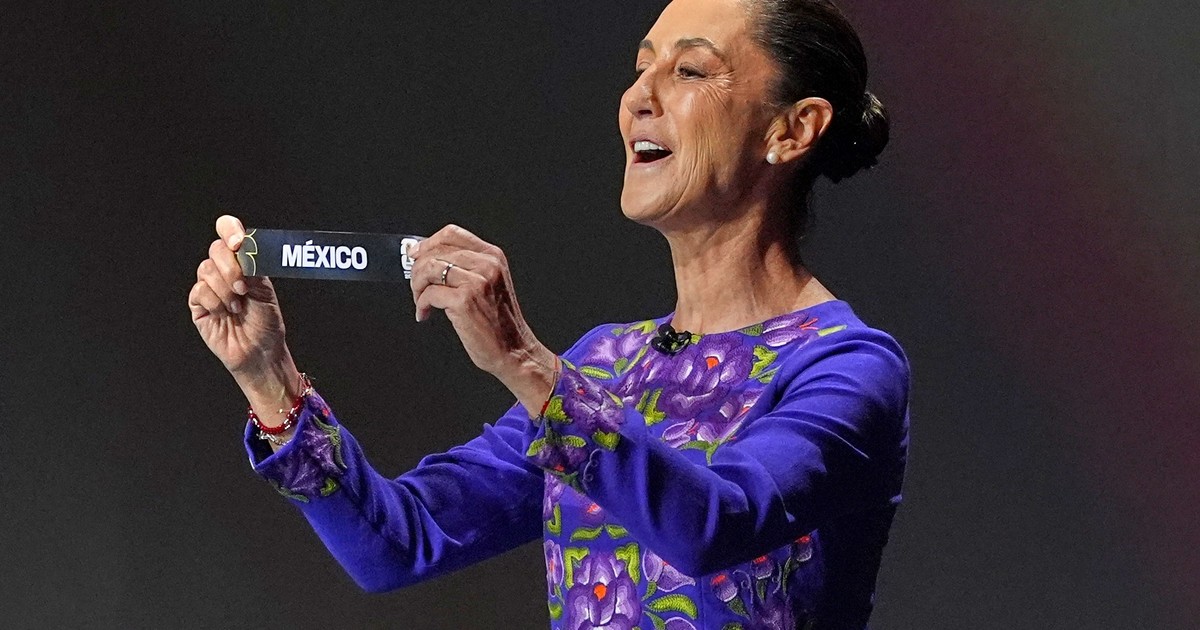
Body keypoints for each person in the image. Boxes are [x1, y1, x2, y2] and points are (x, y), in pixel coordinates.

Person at [187, 0, 909, 627]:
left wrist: (524, 362)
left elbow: (717, 522)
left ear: (793, 129)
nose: (639, 97)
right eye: (641, 68)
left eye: (689, 71)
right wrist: (269, 378)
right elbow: (399, 545)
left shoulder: (847, 367)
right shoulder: (607, 365)